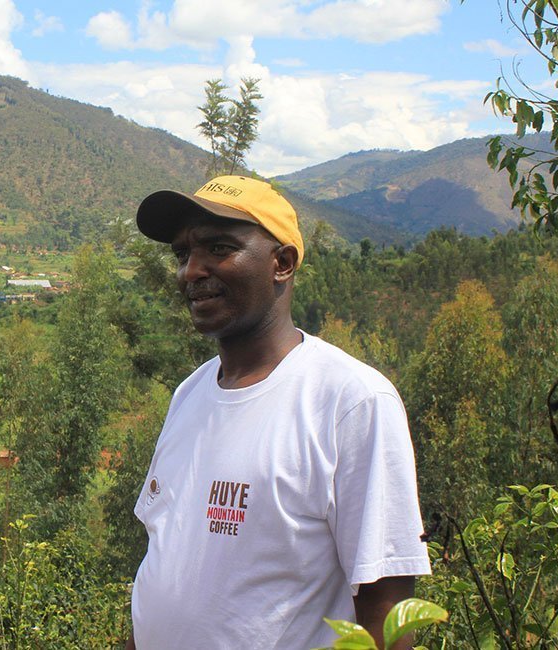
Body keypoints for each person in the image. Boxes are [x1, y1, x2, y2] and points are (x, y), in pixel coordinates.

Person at [127, 175, 430, 649]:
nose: (191, 271)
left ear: (282, 263)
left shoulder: (351, 402)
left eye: (218, 248)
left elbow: (387, 611)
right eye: (183, 254)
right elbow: (164, 568)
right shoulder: (190, 393)